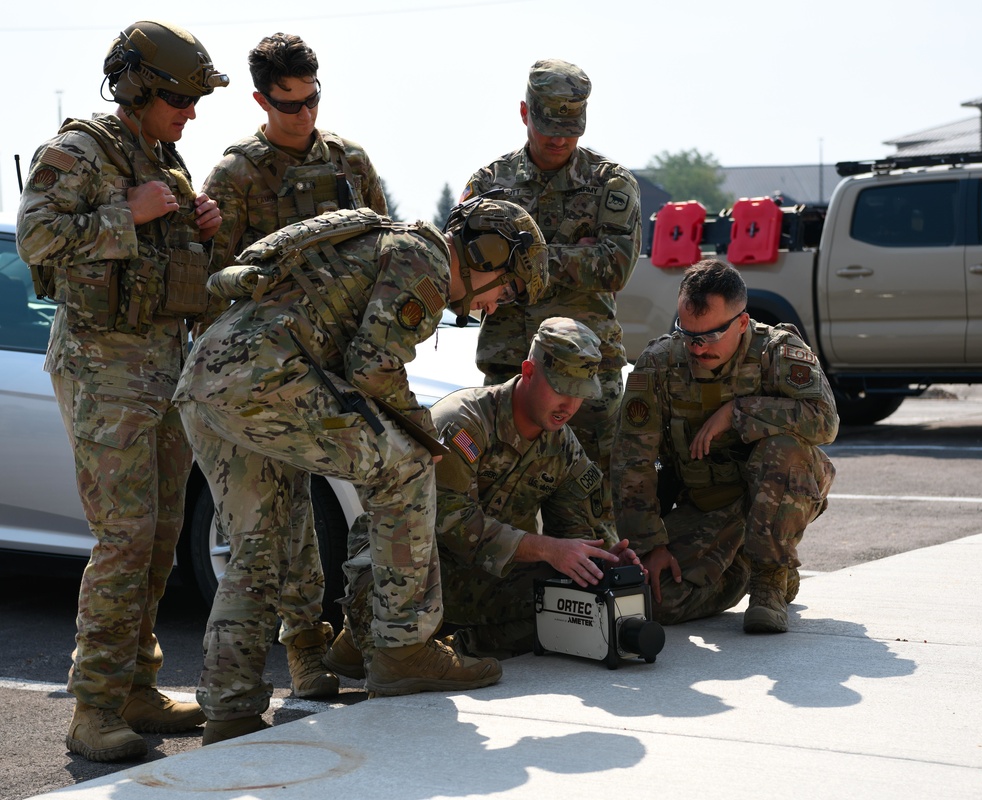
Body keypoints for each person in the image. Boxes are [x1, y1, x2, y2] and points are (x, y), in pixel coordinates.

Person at [173, 195, 548, 744]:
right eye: (507, 288)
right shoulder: (426, 261)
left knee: (260, 546)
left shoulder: (391, 245)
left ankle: (231, 712)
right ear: (487, 253)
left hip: (210, 383)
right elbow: (372, 367)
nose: (497, 305)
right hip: (264, 380)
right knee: (409, 464)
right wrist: (424, 431)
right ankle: (403, 647)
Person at [15, 20, 228, 762]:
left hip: (164, 366)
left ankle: (137, 686)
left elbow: (169, 260)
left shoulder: (164, 159)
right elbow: (35, 239)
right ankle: (94, 707)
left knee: (162, 534)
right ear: (138, 88)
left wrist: (200, 226)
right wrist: (124, 215)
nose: (191, 113)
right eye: (179, 98)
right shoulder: (76, 151)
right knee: (125, 538)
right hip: (104, 369)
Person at [200, 32, 388, 700]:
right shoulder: (235, 176)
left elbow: (384, 248)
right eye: (289, 105)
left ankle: (362, 630)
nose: (304, 115)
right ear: (261, 99)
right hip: (271, 370)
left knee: (393, 483)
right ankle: (305, 646)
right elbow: (209, 281)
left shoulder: (349, 161)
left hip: (342, 360)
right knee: (288, 516)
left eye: (312, 100)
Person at [326, 317, 641, 672]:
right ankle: (361, 639)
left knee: (577, 599)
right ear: (529, 371)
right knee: (381, 567)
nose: (569, 404)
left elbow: (576, 534)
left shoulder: (564, 449)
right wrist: (545, 548)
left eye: (580, 393)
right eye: (561, 387)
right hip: (422, 566)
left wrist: (606, 560)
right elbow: (450, 520)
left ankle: (456, 648)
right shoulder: (464, 422)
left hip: (485, 577)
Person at [459, 58, 642, 539]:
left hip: (586, 376)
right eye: (548, 127)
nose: (559, 139)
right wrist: (573, 259)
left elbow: (615, 266)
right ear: (525, 113)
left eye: (570, 128)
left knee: (590, 502)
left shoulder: (611, 184)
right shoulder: (488, 185)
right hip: (510, 368)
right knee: (499, 500)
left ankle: (595, 604)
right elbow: (465, 270)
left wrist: (522, 266)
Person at [612, 259, 838, 634]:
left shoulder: (776, 353)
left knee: (783, 447)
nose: (697, 348)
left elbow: (825, 420)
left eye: (711, 336)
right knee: (656, 600)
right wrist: (651, 545)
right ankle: (747, 570)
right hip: (707, 500)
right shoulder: (659, 364)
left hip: (777, 491)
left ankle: (769, 580)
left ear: (742, 323)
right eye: (688, 334)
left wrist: (739, 412)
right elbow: (631, 460)